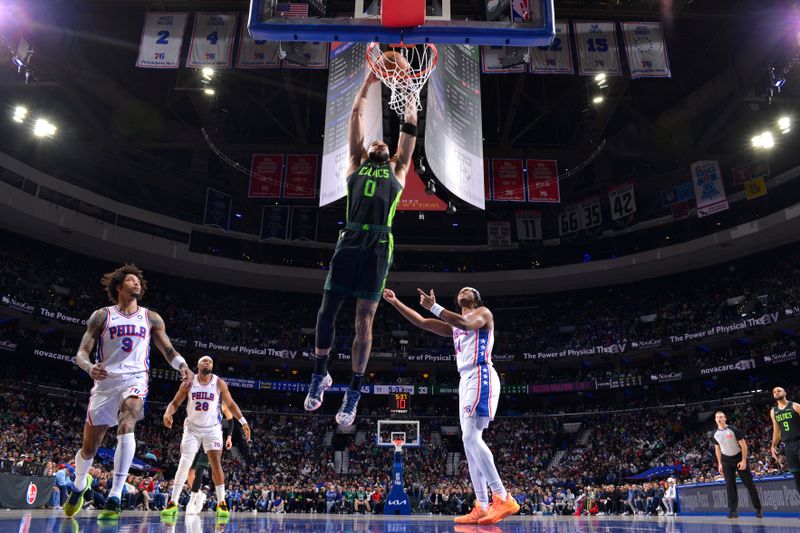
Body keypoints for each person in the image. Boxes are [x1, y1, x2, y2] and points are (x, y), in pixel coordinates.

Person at [304, 69, 418, 427]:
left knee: (364, 319)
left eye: (385, 143)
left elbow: (411, 125)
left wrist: (407, 87)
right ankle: (319, 375)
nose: (380, 143)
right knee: (326, 312)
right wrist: (370, 81)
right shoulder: (356, 163)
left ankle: (353, 392)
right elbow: (355, 116)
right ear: (367, 150)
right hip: (351, 238)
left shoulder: (398, 168)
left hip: (379, 243)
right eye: (375, 143)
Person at [64, 264, 194, 520]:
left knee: (129, 419)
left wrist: (183, 367)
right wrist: (90, 368)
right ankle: (79, 486)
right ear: (119, 286)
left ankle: (115, 495)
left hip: (135, 378)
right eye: (132, 281)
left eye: (138, 281)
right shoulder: (102, 316)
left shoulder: (151, 317)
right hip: (104, 383)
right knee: (89, 449)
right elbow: (81, 353)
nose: (137, 284)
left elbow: (168, 350)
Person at [383, 287, 520, 525]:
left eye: (468, 289)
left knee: (470, 437)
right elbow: (424, 323)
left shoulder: (483, 313)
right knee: (469, 444)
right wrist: (395, 302)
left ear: (476, 299)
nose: (463, 290)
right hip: (465, 379)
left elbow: (466, 325)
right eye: (460, 290)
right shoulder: (455, 325)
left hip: (480, 373)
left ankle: (502, 496)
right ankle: (482, 505)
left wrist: (435, 307)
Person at [160, 356, 251, 520]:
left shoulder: (218, 383)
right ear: (198, 365)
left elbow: (230, 404)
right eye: (205, 361)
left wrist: (243, 421)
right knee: (185, 463)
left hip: (212, 429)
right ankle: (172, 503)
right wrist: (168, 413)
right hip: (192, 428)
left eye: (211, 361)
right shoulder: (189, 383)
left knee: (216, 464)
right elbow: (175, 402)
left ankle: (221, 503)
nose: (208, 362)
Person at [711, 410, 762, 518]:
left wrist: (743, 461)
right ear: (715, 420)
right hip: (726, 460)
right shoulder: (714, 434)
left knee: (749, 484)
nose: (719, 419)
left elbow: (744, 446)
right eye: (717, 417)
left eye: (721, 417)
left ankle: (758, 509)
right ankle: (732, 511)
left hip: (738, 457)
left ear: (725, 418)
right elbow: (717, 449)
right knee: (730, 486)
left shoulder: (733, 430)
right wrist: (719, 463)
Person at [185, 404, 235, 515]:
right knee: (189, 473)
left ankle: (191, 503)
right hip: (196, 438)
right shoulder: (200, 400)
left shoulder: (221, 405)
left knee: (199, 469)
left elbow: (231, 421)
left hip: (211, 440)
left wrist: (229, 437)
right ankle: (200, 495)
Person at [770, 386, 800, 503]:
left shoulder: (795, 406)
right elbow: (776, 432)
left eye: (779, 391)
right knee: (797, 476)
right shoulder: (774, 411)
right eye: (774, 392)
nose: (776, 392)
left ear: (785, 393)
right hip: (788, 445)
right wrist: (773, 446)